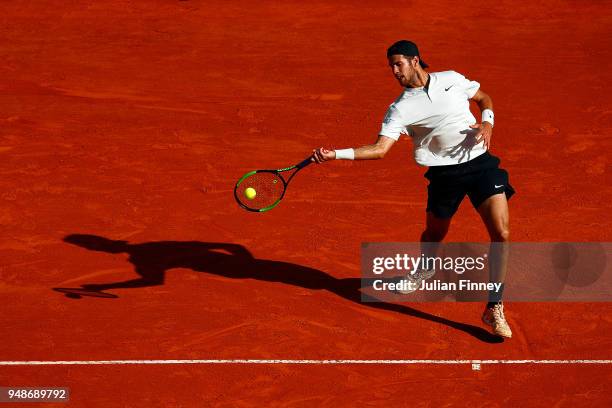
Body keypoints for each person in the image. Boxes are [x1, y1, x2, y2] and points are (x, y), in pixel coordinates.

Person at [311, 40, 514, 338]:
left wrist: (487, 124)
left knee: (502, 233)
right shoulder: (400, 108)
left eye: (398, 64)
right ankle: (425, 269)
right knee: (435, 233)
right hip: (445, 175)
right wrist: (335, 154)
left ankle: (494, 306)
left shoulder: (452, 80)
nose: (394, 71)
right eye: (391, 66)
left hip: (481, 164)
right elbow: (380, 149)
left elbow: (484, 98)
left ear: (415, 60)